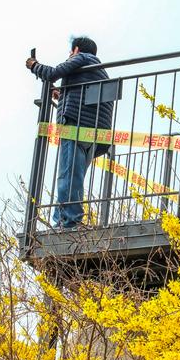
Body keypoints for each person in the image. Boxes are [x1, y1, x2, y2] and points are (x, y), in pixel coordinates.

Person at [26, 36, 111, 230]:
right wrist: (61, 94)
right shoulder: (100, 70)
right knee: (75, 177)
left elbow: (54, 73)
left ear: (76, 49)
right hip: (94, 133)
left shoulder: (81, 58)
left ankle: (68, 222)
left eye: (70, 52)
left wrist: (34, 65)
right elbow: (83, 95)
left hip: (75, 126)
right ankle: (67, 219)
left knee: (67, 176)